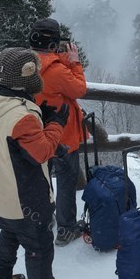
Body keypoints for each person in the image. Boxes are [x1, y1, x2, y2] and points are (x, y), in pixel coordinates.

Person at [0, 47, 79, 279]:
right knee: (39, 245)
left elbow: (12, 142)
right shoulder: (20, 117)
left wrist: (39, 119)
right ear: (26, 77)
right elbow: (41, 152)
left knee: (9, 233)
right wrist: (55, 124)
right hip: (25, 196)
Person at [28, 18, 88, 246]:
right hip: (61, 135)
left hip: (34, 132)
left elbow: (49, 63)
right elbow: (79, 89)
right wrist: (75, 63)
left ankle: (42, 220)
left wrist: (64, 60)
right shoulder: (57, 72)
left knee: (41, 179)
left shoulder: (24, 63)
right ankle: (66, 228)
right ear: (54, 43)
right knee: (66, 181)